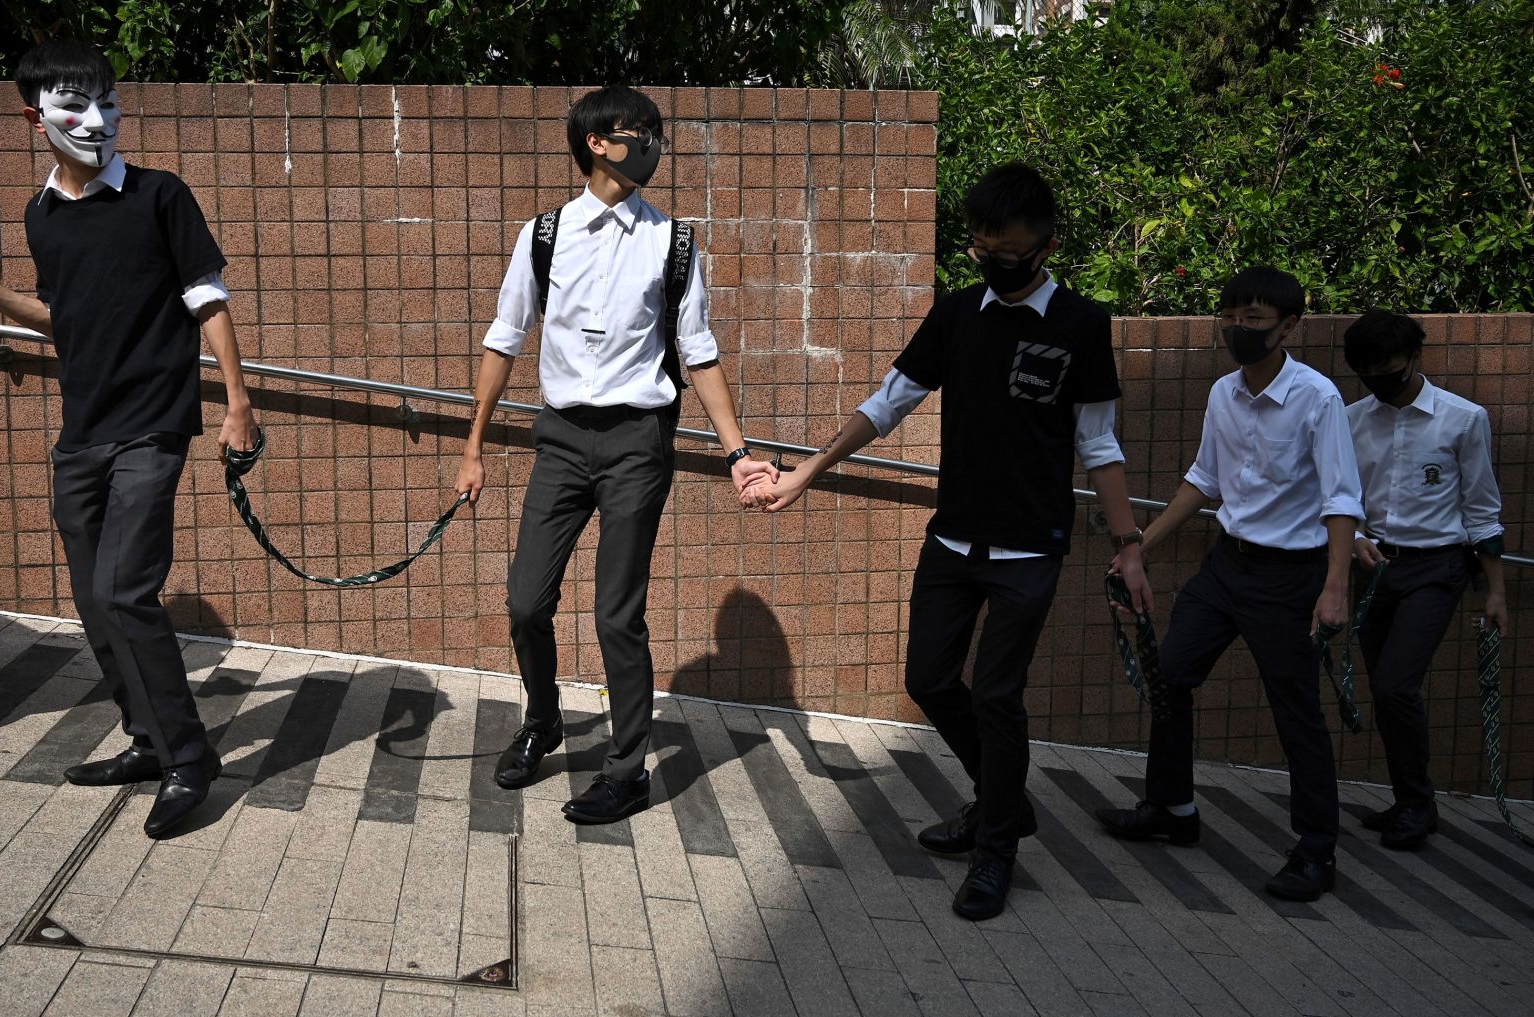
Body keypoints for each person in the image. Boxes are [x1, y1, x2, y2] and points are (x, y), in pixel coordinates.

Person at [747, 162, 1153, 921]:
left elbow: (1100, 445)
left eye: (1012, 252)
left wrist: (1128, 541)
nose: (997, 264)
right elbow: (889, 402)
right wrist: (805, 473)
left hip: (1031, 549)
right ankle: (1003, 798)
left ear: (1046, 246)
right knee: (930, 679)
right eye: (982, 249)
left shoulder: (1081, 325)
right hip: (954, 540)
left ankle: (996, 846)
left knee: (998, 695)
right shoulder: (959, 313)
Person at [0, 39, 258, 838]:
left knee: (128, 590)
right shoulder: (40, 215)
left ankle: (192, 759)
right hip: (81, 432)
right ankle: (147, 740)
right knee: (95, 602)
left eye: (107, 101)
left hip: (152, 426)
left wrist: (237, 404)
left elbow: (209, 301)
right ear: (34, 118)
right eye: (73, 105)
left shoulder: (160, 196)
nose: (98, 119)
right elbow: (64, 318)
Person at [454, 85, 776, 825]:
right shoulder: (543, 235)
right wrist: (472, 446)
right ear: (595, 142)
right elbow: (504, 340)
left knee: (615, 612)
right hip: (561, 439)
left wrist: (739, 454)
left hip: (638, 442)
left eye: (657, 134)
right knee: (525, 600)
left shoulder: (675, 242)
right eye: (640, 132)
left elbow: (699, 354)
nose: (653, 145)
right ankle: (542, 719)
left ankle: (627, 769)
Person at [1095, 266, 1364, 902]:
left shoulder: (1318, 398)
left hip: (1290, 577)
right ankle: (1172, 808)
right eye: (1232, 318)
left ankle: (1316, 850)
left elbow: (1342, 499)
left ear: (1290, 326)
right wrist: (1137, 547)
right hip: (1225, 567)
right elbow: (1203, 481)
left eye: (1255, 321)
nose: (1238, 330)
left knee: (1295, 710)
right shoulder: (1223, 393)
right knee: (1171, 674)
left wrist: (1334, 588)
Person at [1343, 308, 1508, 849]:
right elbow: (1342, 497)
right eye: (1370, 375)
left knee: (1396, 684)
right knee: (1387, 690)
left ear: (1416, 357)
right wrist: (1355, 537)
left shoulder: (1463, 419)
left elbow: (1482, 508)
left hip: (1436, 567)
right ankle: (1406, 798)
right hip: (1372, 567)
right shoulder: (1351, 419)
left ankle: (1418, 803)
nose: (1381, 385)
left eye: (1390, 372)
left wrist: (1496, 592)